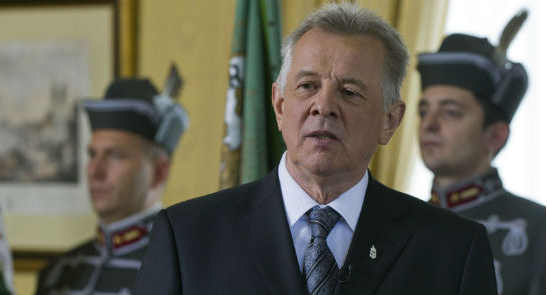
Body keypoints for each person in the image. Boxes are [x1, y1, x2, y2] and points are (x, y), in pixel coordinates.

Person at [133, 3, 497, 294]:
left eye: (350, 92)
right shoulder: (187, 238)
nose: (323, 106)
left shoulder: (454, 250)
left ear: (390, 120)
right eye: (307, 86)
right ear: (278, 105)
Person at [416, 21, 546, 295]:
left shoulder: (539, 228)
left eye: (450, 112)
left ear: (495, 136)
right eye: (424, 111)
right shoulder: (397, 223)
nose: (429, 124)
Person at [35, 75, 189, 295]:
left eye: (115, 155)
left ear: (158, 171)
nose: (95, 171)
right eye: (92, 154)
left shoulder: (185, 269)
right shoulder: (58, 273)